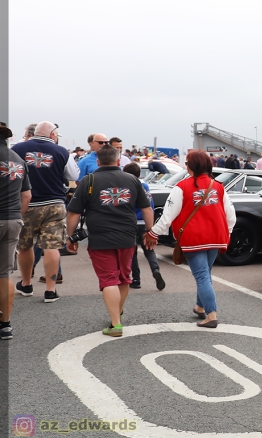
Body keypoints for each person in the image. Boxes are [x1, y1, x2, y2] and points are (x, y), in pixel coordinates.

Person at [65, 145, 153, 337]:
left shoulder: (89, 180)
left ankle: (115, 324)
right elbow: (147, 209)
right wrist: (150, 232)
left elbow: (74, 212)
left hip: (100, 237)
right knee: (123, 278)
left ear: (98, 161)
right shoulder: (132, 179)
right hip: (127, 236)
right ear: (118, 160)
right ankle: (117, 313)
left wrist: (70, 237)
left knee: (108, 280)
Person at [144, 151, 235, 328]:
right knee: (205, 274)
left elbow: (168, 215)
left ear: (191, 166)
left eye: (186, 163)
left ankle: (211, 314)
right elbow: (231, 216)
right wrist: (227, 233)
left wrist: (153, 233)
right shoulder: (218, 186)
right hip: (216, 237)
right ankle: (200, 307)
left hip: (193, 238)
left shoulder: (182, 187)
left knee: (201, 276)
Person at [12, 121, 79, 301]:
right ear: (52, 135)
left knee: (24, 246)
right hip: (54, 204)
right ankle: (50, 290)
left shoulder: (18, 148)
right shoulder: (62, 152)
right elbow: (73, 176)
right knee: (52, 246)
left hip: (26, 203)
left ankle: (26, 284)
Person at [0, 122, 32, 340]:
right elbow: (27, 195)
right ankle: (5, 325)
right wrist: (16, 215)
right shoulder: (18, 160)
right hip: (13, 220)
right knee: (4, 274)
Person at [122, 163, 164, 291]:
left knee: (132, 252)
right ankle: (155, 269)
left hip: (132, 223)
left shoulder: (128, 186)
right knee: (149, 249)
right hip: (145, 222)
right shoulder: (145, 186)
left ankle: (136, 279)